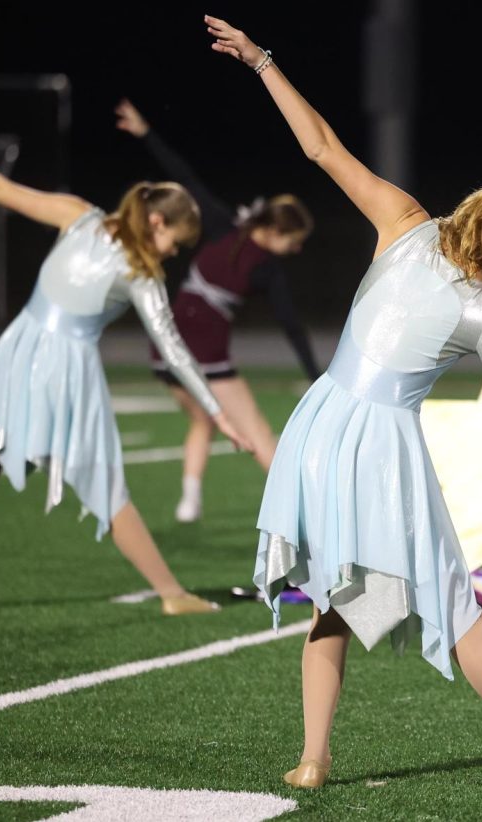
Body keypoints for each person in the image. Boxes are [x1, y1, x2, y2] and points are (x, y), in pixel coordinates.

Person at [204, 14, 482, 793]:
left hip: (319, 422)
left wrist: (261, 62)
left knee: (335, 596)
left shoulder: (407, 225)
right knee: (458, 611)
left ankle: (314, 760)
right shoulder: (473, 300)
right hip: (376, 446)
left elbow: (321, 151)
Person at [0, 130, 246, 616]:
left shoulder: (81, 217)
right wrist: (218, 412)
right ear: (156, 221)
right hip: (66, 373)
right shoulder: (142, 272)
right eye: (174, 243)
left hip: (16, 351)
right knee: (104, 482)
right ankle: (172, 595)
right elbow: (174, 349)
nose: (172, 254)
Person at [114, 98, 321, 522]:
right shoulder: (249, 249)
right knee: (259, 433)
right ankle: (308, 515)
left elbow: (292, 326)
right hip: (204, 352)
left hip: (165, 344)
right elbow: (183, 177)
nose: (296, 251)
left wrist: (144, 132)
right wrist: (146, 133)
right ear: (277, 230)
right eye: (294, 242)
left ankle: (190, 500)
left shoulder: (245, 246)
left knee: (206, 422)